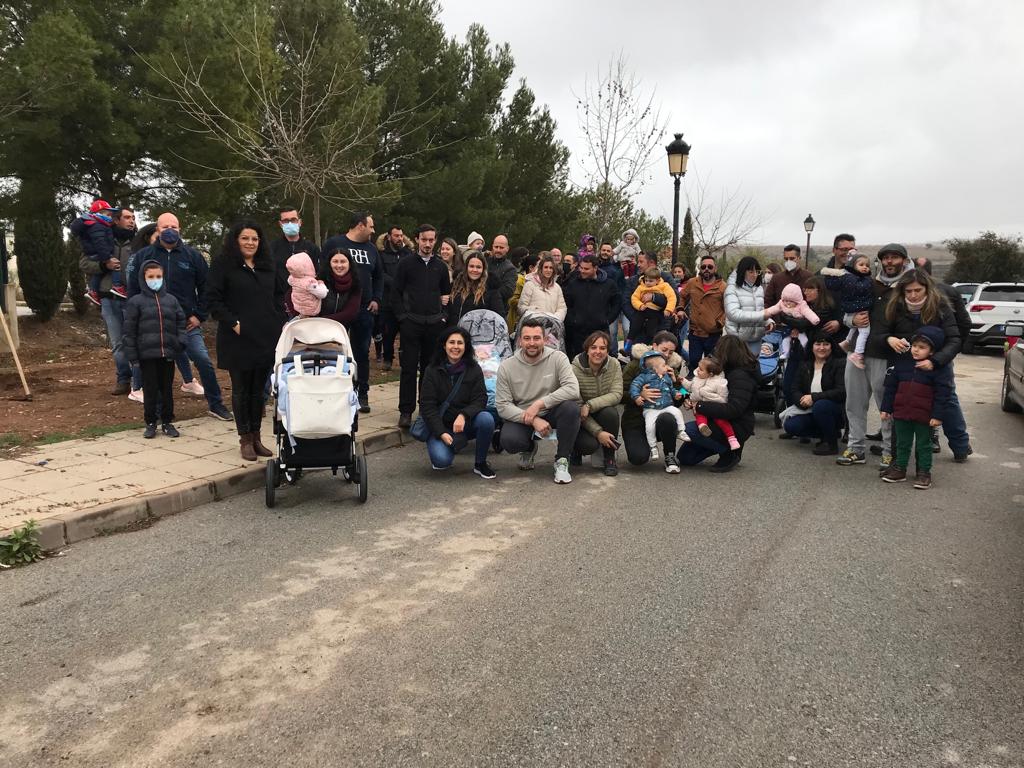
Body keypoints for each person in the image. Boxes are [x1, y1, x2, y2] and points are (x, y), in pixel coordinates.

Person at [126, 212, 232, 420]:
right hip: (153, 327)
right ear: (157, 229)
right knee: (155, 372)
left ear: (179, 229)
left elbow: (206, 289)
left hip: (187, 324)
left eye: (174, 227)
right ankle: (158, 413)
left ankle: (215, 403)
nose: (170, 231)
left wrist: (199, 316)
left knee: (203, 360)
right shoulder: (143, 256)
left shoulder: (192, 256)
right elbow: (132, 291)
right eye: (165, 227)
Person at [205, 221, 285, 461]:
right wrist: (233, 323)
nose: (250, 243)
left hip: (264, 335)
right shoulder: (223, 265)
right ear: (236, 240)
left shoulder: (267, 266)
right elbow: (213, 299)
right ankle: (245, 439)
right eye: (245, 238)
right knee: (241, 389)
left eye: (255, 239)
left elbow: (280, 294)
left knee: (257, 391)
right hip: (237, 337)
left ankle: (257, 436)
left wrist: (277, 317)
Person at [876, 266, 968, 466]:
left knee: (947, 400)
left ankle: (960, 445)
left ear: (927, 288)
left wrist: (936, 361)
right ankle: (897, 461)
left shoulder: (940, 306)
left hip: (936, 362)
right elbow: (879, 333)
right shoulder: (895, 306)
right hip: (904, 364)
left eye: (918, 290)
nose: (913, 295)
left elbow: (954, 339)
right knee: (901, 405)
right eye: (908, 291)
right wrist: (889, 339)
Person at [837, 243, 913, 468]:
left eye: (895, 258)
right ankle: (856, 448)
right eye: (885, 258)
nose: (890, 262)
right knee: (854, 403)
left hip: (885, 356)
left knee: (886, 406)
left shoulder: (909, 286)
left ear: (904, 261)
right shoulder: (869, 283)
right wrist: (851, 321)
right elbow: (846, 312)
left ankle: (890, 451)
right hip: (857, 353)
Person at [495, 318, 581, 484]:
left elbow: (572, 389)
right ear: (519, 340)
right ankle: (529, 448)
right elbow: (503, 406)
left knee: (571, 408)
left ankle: (562, 460)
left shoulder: (558, 358)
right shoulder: (507, 366)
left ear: (545, 339)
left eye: (536, 338)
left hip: (552, 411)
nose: (532, 343)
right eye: (527, 338)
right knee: (509, 441)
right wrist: (533, 419)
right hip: (524, 416)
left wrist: (539, 404)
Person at [879, 325, 954, 490]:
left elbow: (943, 395)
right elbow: (891, 388)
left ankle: (924, 473)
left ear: (932, 351)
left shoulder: (938, 370)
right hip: (901, 414)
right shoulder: (902, 364)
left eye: (922, 348)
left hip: (924, 416)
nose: (916, 350)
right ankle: (900, 469)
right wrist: (886, 408)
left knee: (924, 445)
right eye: (914, 346)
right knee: (902, 443)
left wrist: (938, 416)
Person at [323, 212, 383, 413]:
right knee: (333, 351)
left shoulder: (372, 250)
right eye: (371, 226)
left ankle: (361, 392)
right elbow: (322, 271)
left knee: (361, 353)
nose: (373, 231)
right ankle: (334, 391)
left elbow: (379, 277)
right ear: (360, 225)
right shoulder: (334, 243)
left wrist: (376, 299)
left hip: (364, 309)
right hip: (336, 308)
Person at [393, 224, 452, 428]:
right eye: (424, 239)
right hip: (412, 323)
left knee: (430, 370)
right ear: (417, 239)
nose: (428, 244)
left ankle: (425, 409)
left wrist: (443, 316)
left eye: (431, 240)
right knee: (408, 369)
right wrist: (403, 317)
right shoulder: (406, 263)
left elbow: (447, 294)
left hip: (434, 325)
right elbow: (396, 293)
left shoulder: (440, 267)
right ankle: (405, 411)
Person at [418, 326, 496, 479]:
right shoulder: (432, 370)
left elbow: (480, 399)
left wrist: (463, 415)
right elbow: (427, 406)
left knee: (487, 419)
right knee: (441, 462)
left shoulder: (474, 369)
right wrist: (441, 432)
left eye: (460, 343)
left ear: (465, 346)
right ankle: (448, 445)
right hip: (441, 424)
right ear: (444, 345)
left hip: (465, 423)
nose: (455, 347)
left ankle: (480, 463)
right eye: (451, 342)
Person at [122, 260, 186, 440]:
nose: (155, 280)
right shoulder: (136, 302)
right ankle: (150, 422)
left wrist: (180, 341)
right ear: (143, 278)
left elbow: (180, 321)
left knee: (167, 389)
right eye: (151, 277)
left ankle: (167, 421)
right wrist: (133, 355)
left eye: (158, 276)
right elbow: (129, 330)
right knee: (150, 389)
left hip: (167, 354)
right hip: (147, 355)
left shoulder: (171, 300)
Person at [676, 334, 759, 472]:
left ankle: (729, 452)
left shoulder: (740, 376)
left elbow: (734, 409)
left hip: (737, 424)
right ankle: (716, 444)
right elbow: (700, 388)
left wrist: (700, 406)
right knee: (686, 458)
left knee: (688, 429)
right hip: (716, 418)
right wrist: (690, 399)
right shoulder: (724, 371)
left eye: (718, 350)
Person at [80, 206, 138, 395]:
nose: (131, 221)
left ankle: (139, 381)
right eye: (127, 217)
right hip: (108, 299)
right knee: (117, 343)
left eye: (134, 218)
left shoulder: (139, 242)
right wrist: (104, 264)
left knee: (135, 340)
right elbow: (84, 263)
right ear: (116, 220)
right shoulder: (103, 240)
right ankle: (123, 379)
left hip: (132, 299)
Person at [621, 331, 686, 472]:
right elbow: (619, 393)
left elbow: (681, 395)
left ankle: (670, 456)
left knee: (669, 418)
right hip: (635, 419)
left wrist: (676, 386)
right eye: (664, 350)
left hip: (661, 415)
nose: (667, 355)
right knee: (638, 458)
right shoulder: (635, 365)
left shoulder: (670, 367)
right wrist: (638, 395)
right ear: (654, 346)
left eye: (671, 352)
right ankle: (644, 443)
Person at [782, 332, 847, 454]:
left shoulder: (840, 363)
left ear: (831, 346)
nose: (821, 348)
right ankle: (827, 432)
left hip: (835, 409)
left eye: (826, 344)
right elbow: (794, 389)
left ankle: (830, 443)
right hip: (810, 409)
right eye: (818, 344)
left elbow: (841, 391)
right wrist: (802, 401)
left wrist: (813, 398)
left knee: (821, 405)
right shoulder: (805, 364)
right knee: (791, 426)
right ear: (811, 347)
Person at [570, 331, 623, 476]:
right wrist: (598, 432)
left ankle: (609, 458)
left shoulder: (614, 364)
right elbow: (578, 405)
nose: (598, 352)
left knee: (611, 413)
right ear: (587, 349)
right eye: (593, 347)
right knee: (589, 446)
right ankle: (575, 449)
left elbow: (617, 394)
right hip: (581, 418)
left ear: (608, 350)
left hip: (599, 411)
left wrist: (590, 405)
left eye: (602, 348)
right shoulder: (574, 369)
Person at [821, 251, 876, 368]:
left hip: (852, 308)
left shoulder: (848, 277)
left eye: (867, 265)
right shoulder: (855, 279)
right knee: (864, 331)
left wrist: (829, 275)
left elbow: (831, 285)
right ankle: (858, 353)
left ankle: (847, 341)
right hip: (859, 308)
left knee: (855, 327)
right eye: (861, 265)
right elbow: (863, 287)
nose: (865, 268)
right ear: (853, 266)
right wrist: (869, 280)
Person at [630, 349, 688, 461]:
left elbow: (673, 389)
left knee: (677, 412)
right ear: (655, 369)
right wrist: (637, 396)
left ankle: (681, 431)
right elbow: (634, 386)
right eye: (663, 365)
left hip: (666, 405)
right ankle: (653, 447)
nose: (666, 366)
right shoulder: (643, 377)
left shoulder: (667, 377)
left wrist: (676, 394)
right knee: (649, 426)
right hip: (650, 408)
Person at [562, 255, 621, 359]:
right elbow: (566, 304)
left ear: (595, 268)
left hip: (600, 331)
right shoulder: (573, 283)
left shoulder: (609, 284)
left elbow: (617, 303)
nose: (582, 271)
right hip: (577, 333)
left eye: (586, 269)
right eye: (581, 268)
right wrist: (573, 320)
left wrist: (607, 320)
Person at [73, 200, 125, 305]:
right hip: (98, 253)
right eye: (108, 214)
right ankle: (117, 286)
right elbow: (100, 243)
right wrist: (107, 258)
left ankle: (93, 291)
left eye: (111, 214)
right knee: (115, 265)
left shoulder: (100, 225)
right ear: (98, 213)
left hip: (96, 253)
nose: (110, 217)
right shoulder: (97, 226)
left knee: (100, 272)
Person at [679, 255, 726, 373]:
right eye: (703, 266)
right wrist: (680, 309)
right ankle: (692, 388)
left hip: (713, 334)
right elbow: (683, 296)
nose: (706, 269)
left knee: (712, 366)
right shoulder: (692, 283)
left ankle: (709, 389)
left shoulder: (723, 287)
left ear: (715, 268)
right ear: (700, 268)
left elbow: (728, 308)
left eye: (710, 267)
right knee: (694, 363)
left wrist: (719, 322)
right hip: (695, 332)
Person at [378, 225, 413, 371]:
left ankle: (405, 360)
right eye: (396, 235)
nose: (399, 238)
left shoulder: (408, 253)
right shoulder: (381, 253)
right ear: (389, 236)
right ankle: (387, 359)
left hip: (406, 301)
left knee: (406, 333)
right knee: (388, 333)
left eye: (401, 235)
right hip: (388, 300)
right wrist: (396, 283)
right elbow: (380, 274)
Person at [687, 356, 740, 450]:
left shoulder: (719, 383)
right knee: (700, 416)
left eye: (701, 369)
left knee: (721, 421)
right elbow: (689, 388)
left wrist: (706, 394)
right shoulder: (697, 378)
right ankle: (703, 427)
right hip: (700, 407)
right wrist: (681, 382)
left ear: (710, 374)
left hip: (714, 407)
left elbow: (723, 399)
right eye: (698, 367)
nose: (697, 370)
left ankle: (732, 439)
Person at [723, 256, 769, 356]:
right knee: (738, 370)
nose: (755, 275)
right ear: (743, 272)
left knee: (753, 369)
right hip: (738, 340)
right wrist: (762, 315)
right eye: (751, 272)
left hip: (756, 338)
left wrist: (769, 321)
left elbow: (760, 310)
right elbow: (733, 313)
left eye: (757, 272)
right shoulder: (732, 289)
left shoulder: (759, 289)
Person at [764, 283, 820, 357]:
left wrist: (814, 319)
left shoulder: (802, 305)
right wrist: (766, 312)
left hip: (799, 329)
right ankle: (785, 353)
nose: (787, 303)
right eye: (785, 300)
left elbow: (808, 312)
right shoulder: (781, 304)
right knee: (785, 340)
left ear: (796, 301)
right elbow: (774, 308)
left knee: (804, 340)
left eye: (790, 301)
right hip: (786, 328)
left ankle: (807, 351)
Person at [271, 206, 321, 287]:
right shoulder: (272, 248)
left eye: (293, 220)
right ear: (280, 224)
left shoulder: (312, 248)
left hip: (305, 296)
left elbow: (318, 274)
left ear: (299, 222)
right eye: (286, 221)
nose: (290, 223)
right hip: (279, 297)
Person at [447, 253, 503, 321]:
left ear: (483, 269)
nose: (475, 270)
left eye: (478, 267)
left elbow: (498, 318)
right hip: (453, 330)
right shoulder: (456, 285)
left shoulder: (491, 290)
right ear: (466, 267)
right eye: (471, 266)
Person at [629, 267, 677, 346]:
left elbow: (672, 297)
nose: (647, 283)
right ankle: (628, 346)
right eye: (646, 280)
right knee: (634, 327)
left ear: (657, 280)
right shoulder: (641, 286)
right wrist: (639, 305)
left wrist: (668, 309)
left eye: (650, 281)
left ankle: (650, 346)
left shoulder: (664, 286)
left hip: (655, 312)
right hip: (642, 310)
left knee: (651, 331)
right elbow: (634, 298)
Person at [318, 247, 362, 328]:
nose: (339, 265)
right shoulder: (319, 281)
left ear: (349, 264)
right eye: (335, 261)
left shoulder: (355, 284)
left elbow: (350, 313)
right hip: (315, 329)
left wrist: (320, 320)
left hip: (340, 331)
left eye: (343, 261)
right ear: (329, 263)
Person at [802, 277, 846, 352]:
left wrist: (784, 318)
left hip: (826, 347)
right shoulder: (808, 306)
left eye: (809, 290)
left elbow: (804, 323)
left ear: (819, 291)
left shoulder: (825, 308)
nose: (806, 292)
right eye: (804, 290)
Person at [518, 253, 566, 321]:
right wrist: (537, 314)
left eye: (551, 268)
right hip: (532, 325)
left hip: (551, 326)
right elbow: (521, 307)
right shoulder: (530, 285)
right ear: (541, 269)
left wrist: (555, 318)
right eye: (546, 267)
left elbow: (562, 308)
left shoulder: (557, 288)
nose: (548, 270)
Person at [763, 244, 813, 308]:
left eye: (792, 258)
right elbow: (768, 301)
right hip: (779, 316)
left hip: (803, 315)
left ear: (799, 258)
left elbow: (814, 301)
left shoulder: (809, 277)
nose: (788, 261)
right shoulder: (777, 278)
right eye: (786, 259)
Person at [283, 252, 327, 318]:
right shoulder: (310, 283)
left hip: (297, 307)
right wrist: (321, 284)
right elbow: (322, 294)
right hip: (311, 310)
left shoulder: (292, 278)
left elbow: (289, 282)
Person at [507, 253, 540, 330]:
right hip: (517, 321)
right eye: (539, 267)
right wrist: (530, 302)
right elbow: (512, 300)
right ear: (531, 268)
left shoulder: (540, 282)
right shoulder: (520, 280)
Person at [487, 234, 517, 312]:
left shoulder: (510, 269)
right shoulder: (485, 262)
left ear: (507, 249)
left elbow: (508, 291)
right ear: (492, 246)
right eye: (496, 247)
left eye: (501, 247)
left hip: (498, 309)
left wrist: (487, 294)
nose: (498, 250)